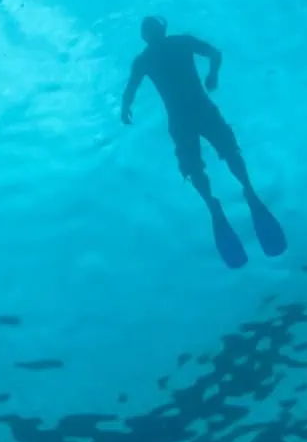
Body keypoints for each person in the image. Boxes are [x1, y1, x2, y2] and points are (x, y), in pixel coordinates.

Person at [121, 16, 284, 268]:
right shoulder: (176, 44)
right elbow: (215, 54)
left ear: (146, 35)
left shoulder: (147, 58)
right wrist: (213, 75)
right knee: (221, 154)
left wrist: (126, 106)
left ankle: (220, 201)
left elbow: (131, 89)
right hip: (197, 110)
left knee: (201, 163)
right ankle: (238, 193)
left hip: (184, 115)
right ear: (160, 29)